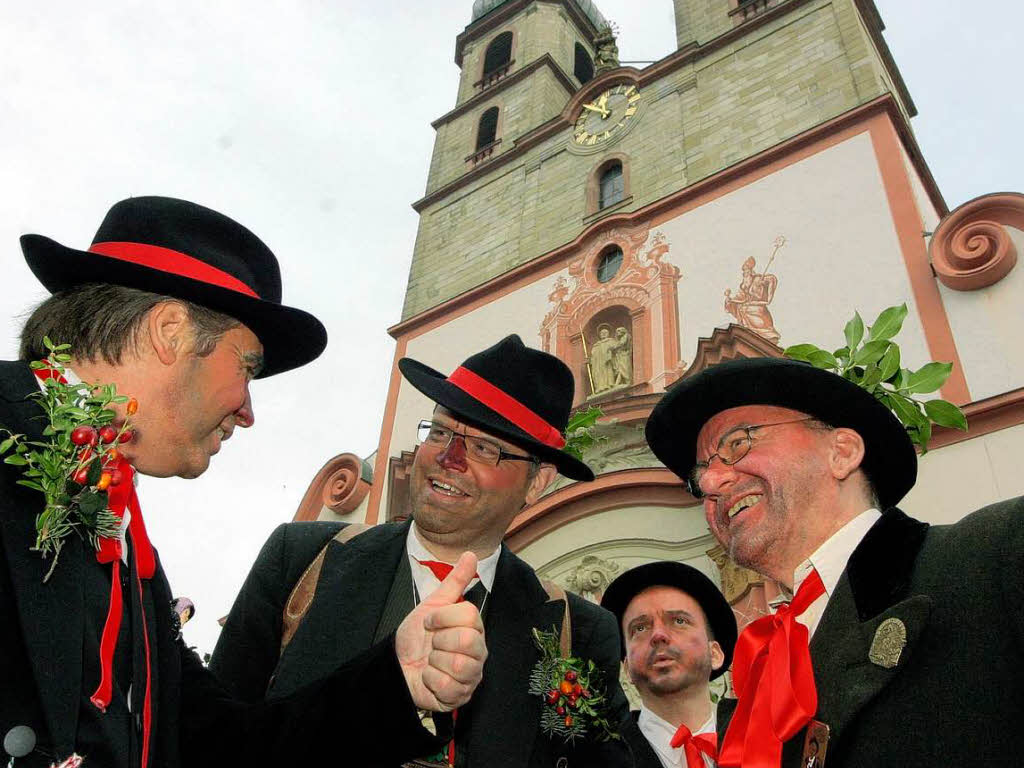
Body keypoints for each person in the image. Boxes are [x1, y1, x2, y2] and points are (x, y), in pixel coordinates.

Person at [0, 196, 486, 768]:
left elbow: (224, 744)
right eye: (248, 367)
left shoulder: (128, 542)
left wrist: (397, 684)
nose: (247, 411)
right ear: (170, 332)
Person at [211, 334, 632, 767]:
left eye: (484, 447)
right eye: (441, 431)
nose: (449, 458)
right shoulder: (299, 559)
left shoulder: (578, 632)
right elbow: (211, 734)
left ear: (538, 480)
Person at [644, 356, 1024, 768]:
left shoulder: (999, 550)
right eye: (699, 476)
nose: (710, 483)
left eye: (737, 443)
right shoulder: (759, 673)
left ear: (841, 452)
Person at [601, 562, 737, 768]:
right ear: (626, 667)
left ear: (715, 654)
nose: (658, 635)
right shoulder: (601, 757)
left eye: (679, 621)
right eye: (640, 628)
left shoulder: (765, 731)